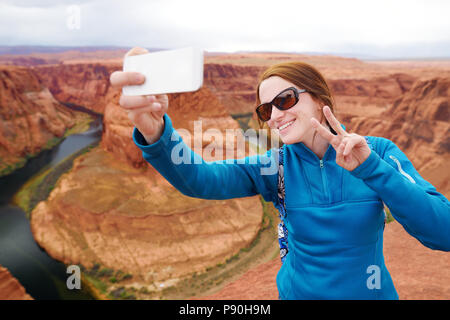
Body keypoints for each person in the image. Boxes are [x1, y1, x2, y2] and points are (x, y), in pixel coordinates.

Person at [110, 47, 450, 300]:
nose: (273, 115)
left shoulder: (377, 152)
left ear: (318, 98)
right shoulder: (275, 167)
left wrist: (371, 169)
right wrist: (157, 135)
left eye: (285, 100)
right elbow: (200, 178)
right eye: (264, 109)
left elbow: (442, 232)